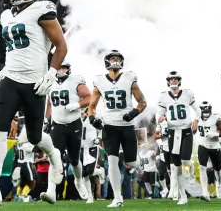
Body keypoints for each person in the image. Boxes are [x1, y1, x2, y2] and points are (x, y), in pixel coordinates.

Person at [0, 0, 68, 208]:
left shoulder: (41, 9)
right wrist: (4, 71)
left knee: (34, 137)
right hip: (11, 80)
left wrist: (52, 73)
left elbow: (61, 46)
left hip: (35, 82)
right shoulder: (6, 15)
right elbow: (15, 50)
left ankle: (54, 156)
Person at [87, 50, 148, 208]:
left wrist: (133, 113)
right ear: (107, 62)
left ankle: (139, 163)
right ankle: (117, 197)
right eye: (112, 58)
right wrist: (92, 118)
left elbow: (142, 102)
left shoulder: (129, 77)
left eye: (117, 58)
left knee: (132, 162)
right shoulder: (99, 81)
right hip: (109, 126)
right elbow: (91, 107)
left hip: (126, 126)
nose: (115, 61)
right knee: (112, 162)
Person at [44, 61, 92, 202]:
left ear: (68, 69)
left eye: (63, 67)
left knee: (74, 160)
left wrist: (77, 104)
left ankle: (78, 181)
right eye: (59, 67)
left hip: (73, 124)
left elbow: (89, 97)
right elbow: (49, 103)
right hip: (57, 125)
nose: (60, 70)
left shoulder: (76, 80)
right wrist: (46, 119)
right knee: (54, 157)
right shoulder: (50, 81)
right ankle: (50, 191)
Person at [156, 70, 200, 205]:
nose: (173, 81)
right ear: (168, 81)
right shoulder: (163, 96)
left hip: (186, 130)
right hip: (172, 132)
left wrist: (196, 121)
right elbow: (159, 114)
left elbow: (197, 109)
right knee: (177, 166)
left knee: (186, 160)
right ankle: (183, 196)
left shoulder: (187, 93)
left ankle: (191, 174)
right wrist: (160, 118)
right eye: (171, 79)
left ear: (179, 81)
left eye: (176, 79)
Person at [195, 101, 221, 202]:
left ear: (210, 108)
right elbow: (193, 131)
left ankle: (219, 185)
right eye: (203, 108)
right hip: (203, 145)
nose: (205, 110)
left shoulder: (216, 118)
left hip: (215, 146)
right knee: (202, 167)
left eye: (207, 108)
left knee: (217, 170)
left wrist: (215, 134)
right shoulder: (197, 118)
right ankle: (205, 192)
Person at [80, 107, 100, 204]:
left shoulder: (92, 119)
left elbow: (102, 128)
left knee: (90, 171)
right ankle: (90, 196)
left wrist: (98, 138)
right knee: (84, 173)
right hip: (81, 149)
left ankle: (100, 172)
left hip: (92, 147)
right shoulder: (76, 120)